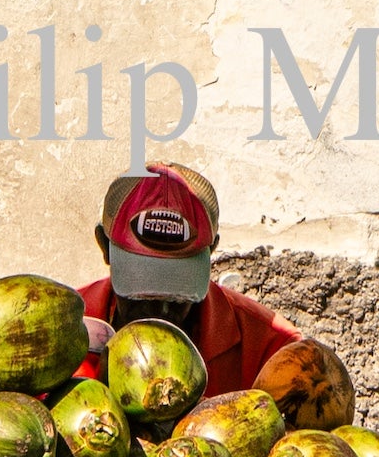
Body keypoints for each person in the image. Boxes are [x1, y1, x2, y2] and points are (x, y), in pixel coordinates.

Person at [79, 163, 299, 397]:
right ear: (104, 246)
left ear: (212, 250)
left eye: (178, 297)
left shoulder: (272, 351)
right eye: (141, 295)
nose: (161, 311)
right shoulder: (55, 332)